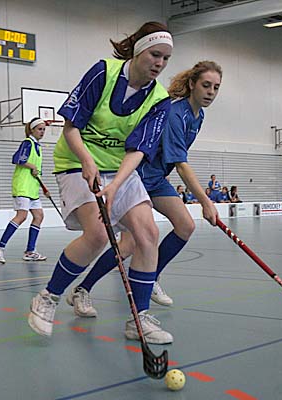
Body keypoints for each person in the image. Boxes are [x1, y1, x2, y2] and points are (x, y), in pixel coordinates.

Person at [27, 22, 174, 344]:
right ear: (139, 50)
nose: (160, 63)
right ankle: (48, 297)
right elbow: (70, 127)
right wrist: (87, 160)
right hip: (75, 161)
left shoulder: (160, 99)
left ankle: (139, 318)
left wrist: (116, 184)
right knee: (96, 235)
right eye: (155, 54)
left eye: (166, 58)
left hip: (120, 168)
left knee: (147, 235)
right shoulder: (103, 72)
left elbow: (139, 149)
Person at [67, 60, 222, 323]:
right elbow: (181, 164)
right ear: (192, 84)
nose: (210, 92)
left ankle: (152, 277)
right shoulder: (175, 113)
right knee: (129, 244)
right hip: (137, 176)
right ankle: (82, 289)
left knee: (185, 226)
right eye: (206, 85)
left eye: (216, 88)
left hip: (157, 179)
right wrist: (205, 201)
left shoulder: (198, 117)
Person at [0, 118, 48, 263]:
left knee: (39, 216)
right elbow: (17, 159)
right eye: (39, 129)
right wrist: (32, 166)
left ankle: (30, 251)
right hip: (22, 186)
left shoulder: (38, 147)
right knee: (22, 216)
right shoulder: (27, 143)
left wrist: (43, 187)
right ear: (32, 130)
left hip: (32, 189)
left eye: (44, 129)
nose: (42, 132)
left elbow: (37, 171)